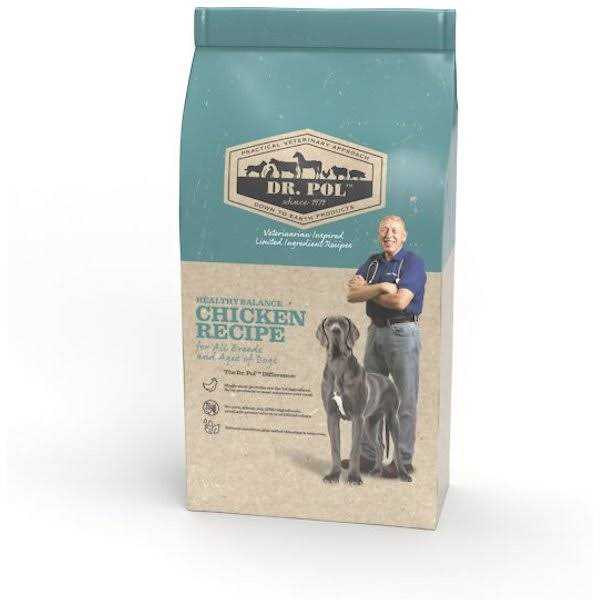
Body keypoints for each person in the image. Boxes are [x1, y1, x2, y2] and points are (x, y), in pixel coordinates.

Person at [344, 215, 426, 477]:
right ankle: (368, 457)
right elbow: (351, 295)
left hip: (402, 332)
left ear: (404, 236)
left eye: (395, 231)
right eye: (384, 230)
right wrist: (380, 287)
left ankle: (402, 460)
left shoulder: (412, 263)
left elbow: (401, 302)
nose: (389, 234)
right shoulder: (373, 262)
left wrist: (368, 292)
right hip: (375, 332)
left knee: (403, 399)